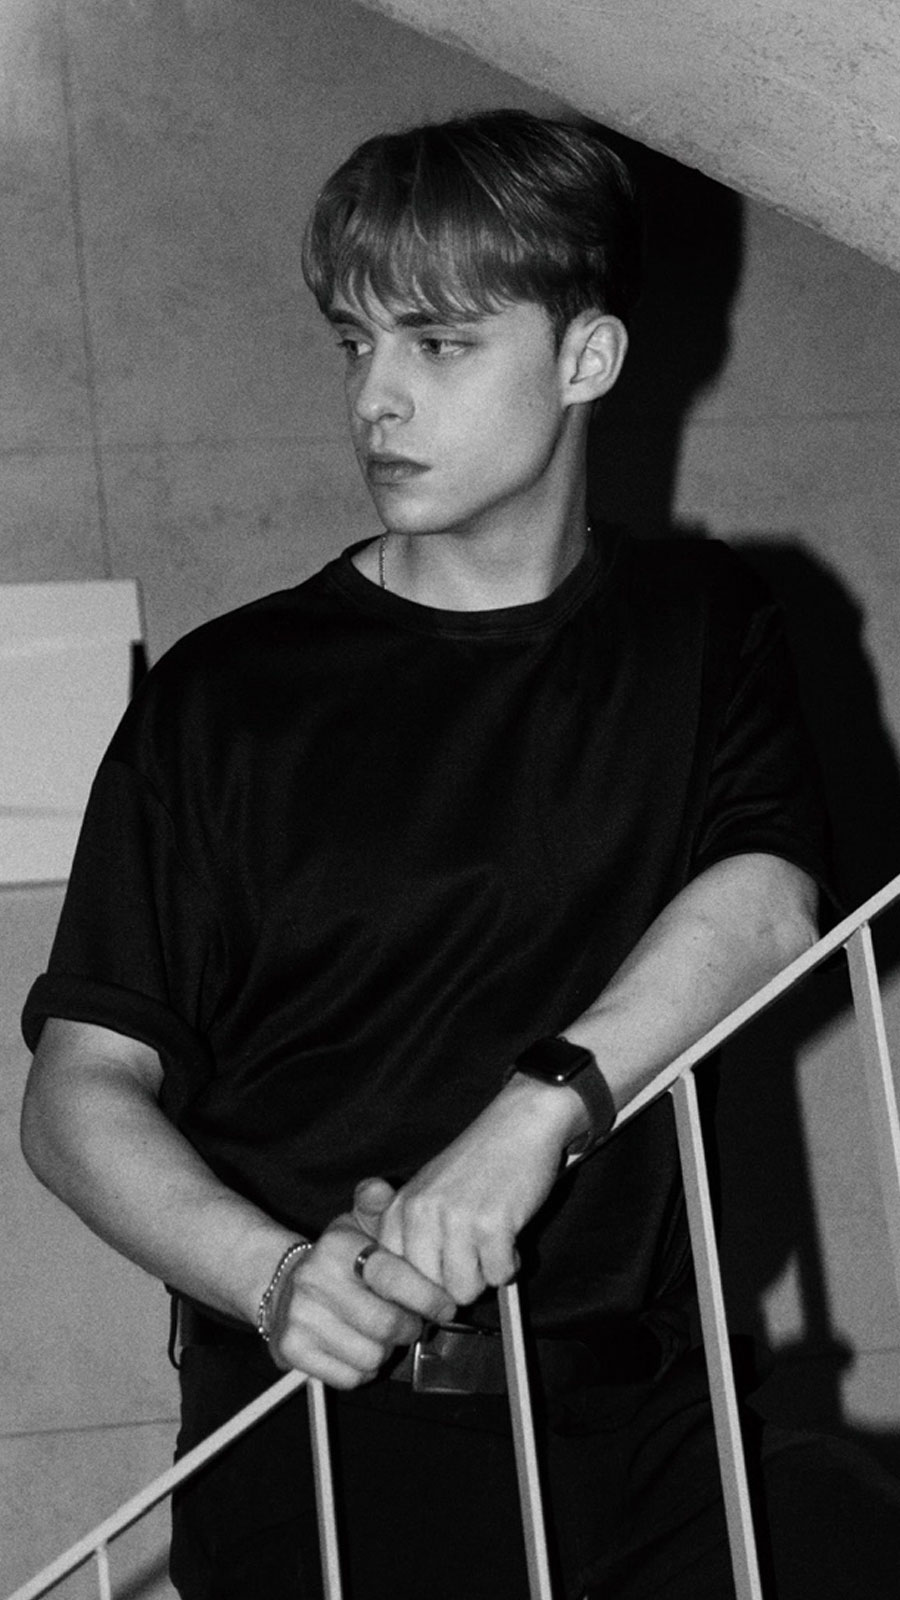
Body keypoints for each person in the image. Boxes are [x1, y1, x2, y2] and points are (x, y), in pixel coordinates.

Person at [18, 110, 895, 1599]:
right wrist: (275, 1280)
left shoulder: (702, 626)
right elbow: (75, 1094)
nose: (375, 397)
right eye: (354, 343)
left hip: (646, 1419)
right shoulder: (225, 699)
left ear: (585, 358)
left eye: (437, 344)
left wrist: (530, 1119)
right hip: (323, 1438)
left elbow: (766, 900)